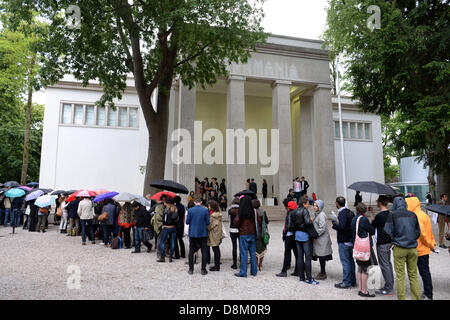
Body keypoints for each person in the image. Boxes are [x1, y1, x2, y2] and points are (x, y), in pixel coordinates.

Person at [383, 196, 421, 300]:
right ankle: (416, 298)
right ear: (405, 203)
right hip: (413, 248)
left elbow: (387, 231)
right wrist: (411, 238)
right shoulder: (413, 215)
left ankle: (402, 298)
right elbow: (418, 232)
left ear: (395, 204)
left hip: (399, 247)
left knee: (400, 276)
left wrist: (394, 238)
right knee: (413, 275)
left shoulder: (392, 215)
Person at [406, 196, 437, 300]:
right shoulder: (423, 214)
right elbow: (429, 231)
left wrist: (430, 244)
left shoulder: (415, 216)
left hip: (419, 249)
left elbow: (422, 234)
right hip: (424, 249)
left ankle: (428, 293)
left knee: (421, 272)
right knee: (425, 272)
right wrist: (432, 243)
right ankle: (428, 292)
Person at [289, 196, 318, 284]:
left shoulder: (293, 212)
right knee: (308, 258)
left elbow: (290, 225)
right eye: (308, 204)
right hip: (305, 236)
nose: (309, 205)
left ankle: (301, 277)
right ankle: (309, 278)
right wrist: (311, 219)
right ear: (304, 204)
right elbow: (307, 222)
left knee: (300, 257)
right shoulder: (304, 211)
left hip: (297, 235)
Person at [370, 195, 394, 296]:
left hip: (382, 242)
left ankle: (389, 287)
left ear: (379, 203)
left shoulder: (380, 216)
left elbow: (373, 225)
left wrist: (371, 213)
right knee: (387, 263)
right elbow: (376, 222)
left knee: (384, 265)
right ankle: (390, 284)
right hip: (389, 241)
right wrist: (372, 213)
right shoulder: (390, 214)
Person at [331, 196, 356, 289]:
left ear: (337, 203)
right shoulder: (350, 212)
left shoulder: (342, 213)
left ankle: (346, 282)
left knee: (345, 262)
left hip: (343, 240)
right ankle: (352, 280)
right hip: (350, 240)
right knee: (351, 261)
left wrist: (334, 224)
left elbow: (341, 226)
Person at [351, 203, 376, 297]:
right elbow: (372, 231)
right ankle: (364, 291)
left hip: (357, 245)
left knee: (360, 268)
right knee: (365, 268)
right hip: (364, 246)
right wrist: (371, 218)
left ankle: (360, 289)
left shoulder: (354, 219)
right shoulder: (364, 219)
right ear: (364, 211)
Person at [234, 195, 257, 277]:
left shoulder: (241, 211)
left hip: (243, 234)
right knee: (253, 253)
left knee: (244, 253)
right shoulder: (252, 211)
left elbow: (236, 222)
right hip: (252, 233)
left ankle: (243, 272)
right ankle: (254, 271)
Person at [186, 198, 210, 275]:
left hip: (193, 233)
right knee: (204, 251)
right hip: (202, 233)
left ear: (194, 202)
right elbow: (207, 222)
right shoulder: (205, 210)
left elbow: (187, 222)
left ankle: (191, 269)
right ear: (201, 202)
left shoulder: (190, 210)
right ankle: (203, 269)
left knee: (191, 251)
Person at [276, 198, 299, 277]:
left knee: (287, 254)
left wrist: (285, 233)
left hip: (289, 236)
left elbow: (288, 226)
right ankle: (297, 270)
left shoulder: (290, 213)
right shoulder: (297, 212)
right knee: (297, 254)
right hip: (296, 236)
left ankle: (284, 271)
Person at [311, 200, 333, 280]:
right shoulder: (316, 214)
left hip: (322, 240)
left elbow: (322, 228)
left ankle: (323, 273)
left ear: (320, 207)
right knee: (320, 256)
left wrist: (315, 234)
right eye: (314, 205)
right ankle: (322, 272)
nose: (314, 207)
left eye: (316, 206)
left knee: (322, 257)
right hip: (319, 240)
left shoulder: (322, 215)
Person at [157, 197, 179, 262]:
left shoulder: (166, 210)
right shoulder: (176, 210)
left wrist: (163, 224)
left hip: (167, 228)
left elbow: (165, 220)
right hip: (174, 228)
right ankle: (170, 257)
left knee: (162, 242)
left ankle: (162, 257)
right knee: (172, 242)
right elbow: (177, 220)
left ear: (168, 203)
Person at [207, 200, 223, 271]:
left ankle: (217, 266)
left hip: (214, 234)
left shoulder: (213, 216)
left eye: (209, 205)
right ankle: (217, 265)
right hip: (217, 233)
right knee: (216, 249)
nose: (208, 207)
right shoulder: (218, 214)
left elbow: (209, 226)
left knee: (215, 249)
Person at [253, 199, 269, 271]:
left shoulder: (252, 212)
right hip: (262, 233)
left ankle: (256, 264)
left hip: (255, 233)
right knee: (262, 249)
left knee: (255, 249)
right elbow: (267, 221)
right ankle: (261, 264)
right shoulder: (263, 212)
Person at [228, 198, 240, 269]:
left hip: (232, 229)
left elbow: (229, 220)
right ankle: (242, 262)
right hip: (240, 230)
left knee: (234, 247)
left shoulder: (230, 211)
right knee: (241, 247)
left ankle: (234, 263)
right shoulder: (241, 210)